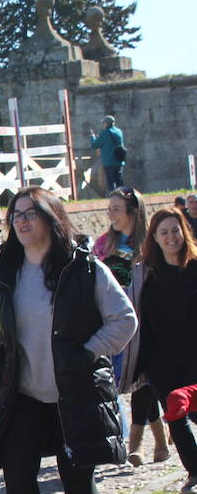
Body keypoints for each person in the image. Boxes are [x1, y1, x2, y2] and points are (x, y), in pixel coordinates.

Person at [0, 187, 136, 494]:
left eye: (31, 213)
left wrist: (87, 352)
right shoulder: (4, 274)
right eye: (16, 216)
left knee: (77, 476)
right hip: (21, 393)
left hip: (74, 390)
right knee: (17, 475)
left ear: (51, 217)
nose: (22, 221)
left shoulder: (85, 269)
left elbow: (124, 318)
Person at [95, 187, 168, 467]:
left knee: (143, 380)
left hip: (148, 324)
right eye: (109, 207)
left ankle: (134, 445)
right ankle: (160, 443)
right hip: (116, 323)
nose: (110, 213)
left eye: (116, 208)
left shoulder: (150, 245)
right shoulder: (104, 245)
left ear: (132, 211)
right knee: (131, 381)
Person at [135, 209, 197, 494]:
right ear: (155, 239)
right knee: (175, 416)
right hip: (161, 360)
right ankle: (194, 472)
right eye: (164, 232)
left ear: (184, 232)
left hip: (194, 356)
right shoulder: (148, 276)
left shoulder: (195, 267)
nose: (171, 237)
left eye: (175, 230)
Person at [89, 115, 126, 192]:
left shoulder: (104, 133)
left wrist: (92, 137)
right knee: (119, 181)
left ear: (106, 124)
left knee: (111, 183)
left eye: (104, 123)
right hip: (119, 160)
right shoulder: (119, 131)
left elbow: (94, 145)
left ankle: (113, 197)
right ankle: (122, 197)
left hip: (109, 161)